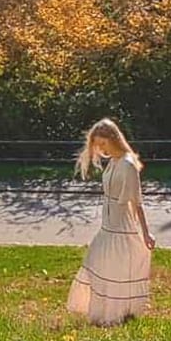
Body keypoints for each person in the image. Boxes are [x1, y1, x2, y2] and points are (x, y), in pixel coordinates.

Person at [67, 118, 155, 326]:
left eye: (103, 144)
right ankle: (104, 313)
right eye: (98, 145)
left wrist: (146, 232)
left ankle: (116, 315)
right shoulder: (114, 162)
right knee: (96, 263)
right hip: (107, 226)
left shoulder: (127, 164)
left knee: (113, 268)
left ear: (114, 139)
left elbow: (136, 202)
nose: (101, 149)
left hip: (120, 227)